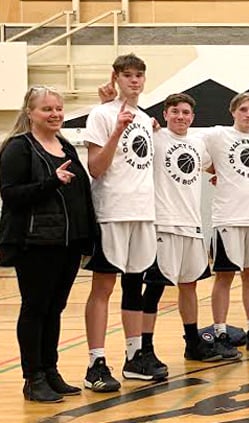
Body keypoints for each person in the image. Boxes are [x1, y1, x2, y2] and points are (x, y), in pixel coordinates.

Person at [0, 86, 94, 402]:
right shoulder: (19, 147)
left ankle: (50, 371)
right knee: (35, 309)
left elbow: (81, 195)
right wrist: (52, 181)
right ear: (30, 112)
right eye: (46, 109)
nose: (54, 114)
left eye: (58, 108)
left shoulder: (65, 146)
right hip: (35, 242)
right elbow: (11, 195)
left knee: (55, 309)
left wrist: (87, 234)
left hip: (66, 243)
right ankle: (33, 377)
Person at [82, 53, 166, 390]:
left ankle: (134, 357)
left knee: (135, 284)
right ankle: (96, 362)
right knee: (103, 287)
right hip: (112, 212)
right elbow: (95, 167)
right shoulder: (100, 115)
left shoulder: (147, 120)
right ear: (116, 77)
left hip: (143, 213)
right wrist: (117, 130)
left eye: (139, 75)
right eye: (127, 75)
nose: (134, 81)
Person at [142, 93, 221, 362]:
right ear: (165, 114)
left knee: (190, 286)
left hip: (193, 226)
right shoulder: (155, 138)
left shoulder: (198, 145)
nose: (180, 116)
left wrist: (218, 176)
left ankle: (192, 343)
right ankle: (145, 348)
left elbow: (214, 167)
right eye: (175, 111)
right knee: (154, 288)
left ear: (192, 117)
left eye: (186, 112)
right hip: (163, 225)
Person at [205, 92, 249, 357]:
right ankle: (221, 332)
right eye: (244, 109)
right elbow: (193, 153)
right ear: (233, 111)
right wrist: (218, 172)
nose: (248, 114)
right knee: (224, 276)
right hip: (228, 218)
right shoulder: (217, 135)